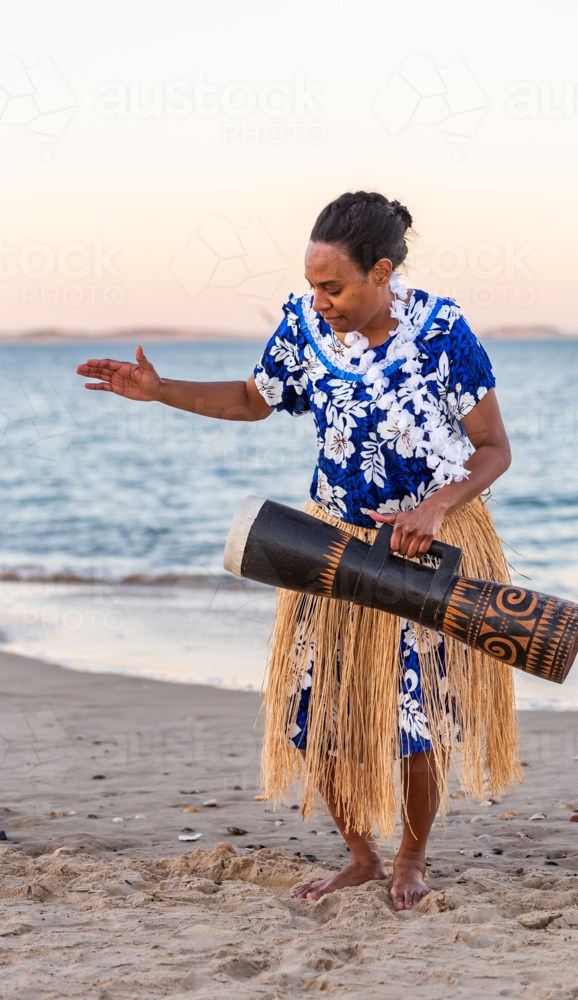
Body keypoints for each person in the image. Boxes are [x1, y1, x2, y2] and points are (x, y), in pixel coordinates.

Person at [76, 191, 520, 911]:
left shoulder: (442, 333)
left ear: (381, 273)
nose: (320, 301)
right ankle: (359, 856)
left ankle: (410, 858)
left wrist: (434, 509)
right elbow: (254, 399)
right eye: (314, 285)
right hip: (331, 547)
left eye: (334, 287)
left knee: (415, 717)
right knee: (317, 710)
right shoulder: (302, 330)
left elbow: (494, 448)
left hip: (426, 550)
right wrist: (159, 392)